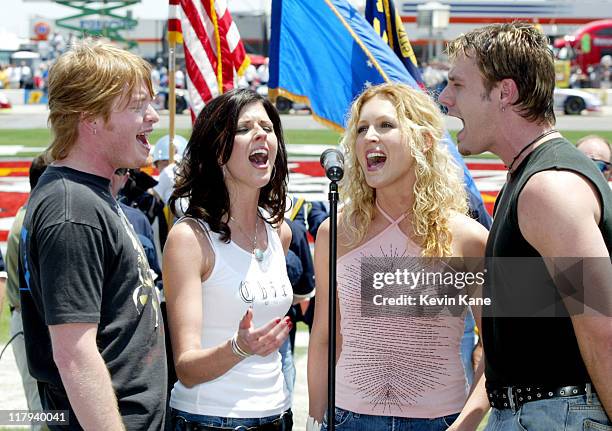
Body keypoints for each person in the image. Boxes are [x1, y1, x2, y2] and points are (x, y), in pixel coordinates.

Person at [439, 22, 612, 429]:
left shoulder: (547, 189)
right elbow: (520, 328)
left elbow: (602, 327)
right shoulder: (528, 182)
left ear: (505, 92)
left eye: (457, 85)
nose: (445, 99)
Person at [307, 83, 489, 430]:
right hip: (348, 421)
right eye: (361, 129)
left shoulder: (469, 238)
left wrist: (466, 423)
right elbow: (325, 337)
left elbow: (498, 346)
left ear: (424, 141)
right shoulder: (335, 232)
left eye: (386, 125)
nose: (369, 137)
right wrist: (316, 420)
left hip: (439, 422)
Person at [18, 39, 167, 430]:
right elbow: (74, 353)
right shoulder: (74, 210)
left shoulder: (90, 195)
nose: (153, 117)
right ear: (92, 119)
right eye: (137, 107)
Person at [163, 88, 294, 430]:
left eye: (267, 127)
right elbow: (186, 368)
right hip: (209, 420)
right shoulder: (189, 239)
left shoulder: (280, 232)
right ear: (217, 150)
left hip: (279, 416)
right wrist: (239, 347)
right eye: (244, 128)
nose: (261, 134)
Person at [4, 154, 48, 431]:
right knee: (44, 413)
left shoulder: (29, 215)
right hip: (33, 323)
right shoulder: (31, 223)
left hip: (30, 321)